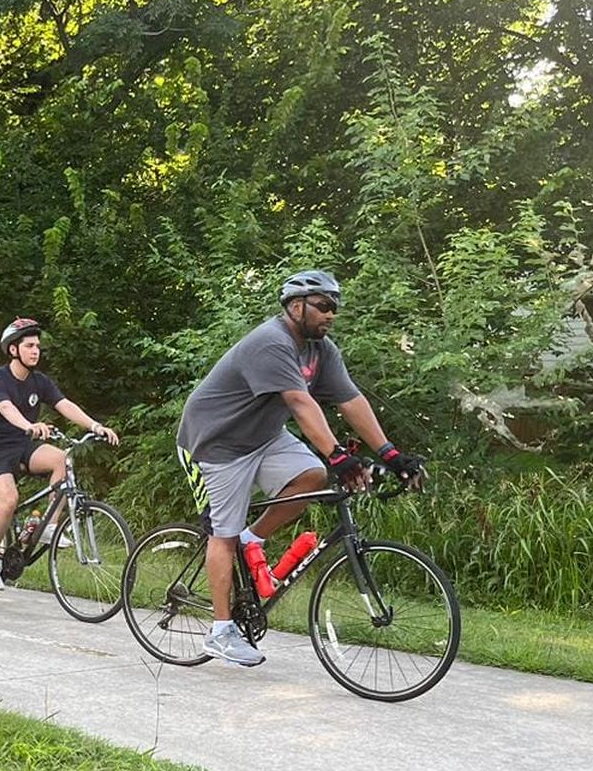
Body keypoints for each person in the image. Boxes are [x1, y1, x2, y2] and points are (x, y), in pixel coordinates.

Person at [176, 270, 425, 666]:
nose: (331, 314)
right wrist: (339, 455)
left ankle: (252, 539)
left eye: (335, 308)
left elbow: (352, 401)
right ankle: (221, 632)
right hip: (218, 441)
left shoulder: (321, 351)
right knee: (222, 532)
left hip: (264, 435)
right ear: (296, 306)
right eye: (323, 305)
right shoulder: (271, 343)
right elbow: (300, 403)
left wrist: (391, 454)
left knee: (312, 477)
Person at [0, 318, 119, 593]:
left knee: (62, 459)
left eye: (37, 346)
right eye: (29, 346)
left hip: (21, 444)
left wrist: (96, 426)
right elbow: (5, 408)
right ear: (14, 350)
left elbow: (65, 405)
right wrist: (29, 425)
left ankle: (49, 526)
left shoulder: (40, 382)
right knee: (9, 499)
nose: (35, 350)